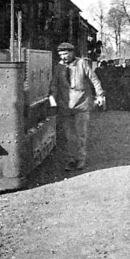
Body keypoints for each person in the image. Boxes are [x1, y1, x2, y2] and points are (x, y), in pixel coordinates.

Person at [48, 42, 104, 171]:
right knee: (69, 136)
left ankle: (81, 159)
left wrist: (99, 95)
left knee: (80, 134)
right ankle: (71, 159)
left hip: (82, 104)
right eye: (61, 55)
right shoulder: (58, 67)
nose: (64, 57)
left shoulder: (82, 63)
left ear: (72, 53)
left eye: (66, 54)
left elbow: (94, 79)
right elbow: (54, 85)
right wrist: (52, 99)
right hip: (65, 105)